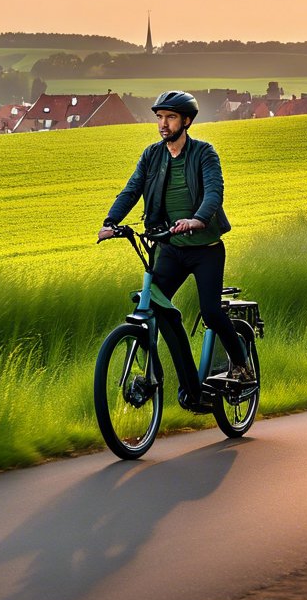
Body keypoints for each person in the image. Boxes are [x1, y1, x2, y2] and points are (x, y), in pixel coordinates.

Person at [97, 90, 254, 411]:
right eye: (159, 117)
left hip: (205, 249)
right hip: (168, 246)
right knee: (152, 305)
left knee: (211, 312)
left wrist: (198, 219)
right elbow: (131, 189)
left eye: (170, 117)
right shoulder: (151, 155)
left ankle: (241, 364)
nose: (163, 124)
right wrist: (111, 221)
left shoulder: (204, 154)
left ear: (187, 121)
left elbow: (214, 192)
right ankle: (190, 389)